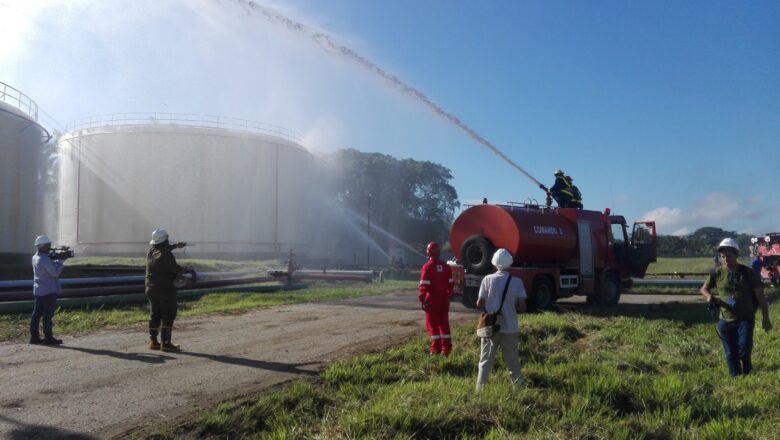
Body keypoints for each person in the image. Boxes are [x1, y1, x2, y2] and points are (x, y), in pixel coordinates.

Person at [700, 238, 772, 377]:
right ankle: (736, 379)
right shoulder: (717, 273)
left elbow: (760, 297)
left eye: (728, 256)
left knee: (744, 349)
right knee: (730, 353)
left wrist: (766, 318)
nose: (725, 259)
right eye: (722, 256)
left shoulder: (749, 273)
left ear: (736, 255)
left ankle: (748, 372)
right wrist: (709, 296)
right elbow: (704, 288)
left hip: (746, 318)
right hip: (725, 320)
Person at [475, 248, 527, 391]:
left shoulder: (487, 279)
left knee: (485, 361)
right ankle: (519, 389)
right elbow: (522, 307)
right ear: (510, 263)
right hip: (510, 328)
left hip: (491, 327)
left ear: (494, 263)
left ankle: (480, 391)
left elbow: (479, 303)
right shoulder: (517, 282)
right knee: (512, 362)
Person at [145, 228, 186, 352]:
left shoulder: (151, 251)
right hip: (165, 290)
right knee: (168, 315)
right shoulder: (167, 255)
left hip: (151, 289)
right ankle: (166, 343)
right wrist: (182, 269)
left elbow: (162, 251)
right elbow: (174, 268)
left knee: (154, 315)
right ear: (165, 239)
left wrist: (176, 246)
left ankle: (153, 342)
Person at [418, 241, 454, 356]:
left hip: (432, 299)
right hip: (444, 299)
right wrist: (447, 296)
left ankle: (435, 350)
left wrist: (422, 299)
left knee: (433, 325)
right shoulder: (446, 266)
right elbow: (450, 284)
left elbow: (424, 286)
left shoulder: (427, 267)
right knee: (444, 324)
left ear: (428, 252)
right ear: (439, 252)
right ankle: (446, 350)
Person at [30, 235, 65, 345]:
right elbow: (55, 273)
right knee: (47, 315)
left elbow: (47, 266)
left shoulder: (35, 257)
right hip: (48, 291)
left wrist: (54, 259)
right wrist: (61, 261)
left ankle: (34, 337)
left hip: (38, 290)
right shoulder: (44, 259)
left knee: (36, 314)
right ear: (43, 246)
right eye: (48, 245)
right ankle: (48, 338)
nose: (50, 247)